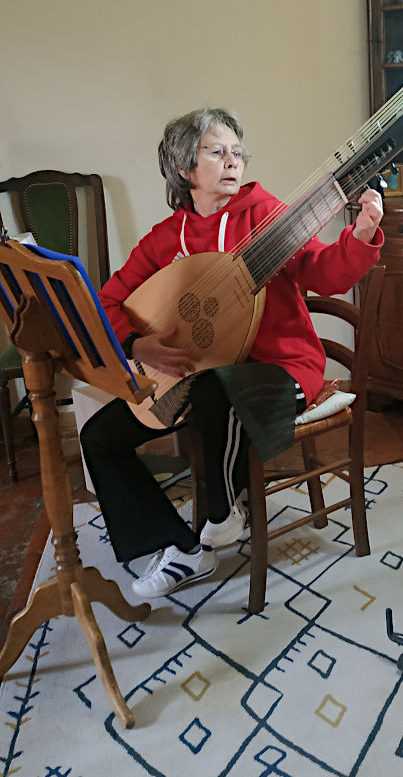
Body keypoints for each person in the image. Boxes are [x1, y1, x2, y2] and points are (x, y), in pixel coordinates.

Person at [81, 107, 383, 599]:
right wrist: (139, 343)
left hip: (282, 369)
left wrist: (362, 233)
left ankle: (221, 515)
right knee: (100, 437)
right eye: (217, 152)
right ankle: (180, 545)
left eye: (237, 152)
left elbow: (322, 272)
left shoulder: (265, 217)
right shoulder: (167, 238)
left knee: (214, 387)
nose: (231, 161)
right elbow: (108, 299)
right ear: (184, 168)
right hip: (199, 375)